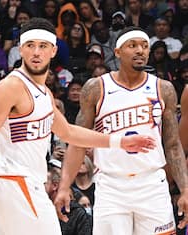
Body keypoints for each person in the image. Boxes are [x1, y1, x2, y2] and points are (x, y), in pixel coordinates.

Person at [0, 18, 155, 234]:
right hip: (15, 183)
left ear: (53, 50)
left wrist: (120, 141)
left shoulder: (44, 93)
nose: (36, 52)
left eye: (43, 46)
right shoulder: (11, 86)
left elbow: (68, 132)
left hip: (11, 187)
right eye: (30, 46)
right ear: (21, 50)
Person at [56, 26, 188, 235]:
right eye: (132, 45)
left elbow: (172, 145)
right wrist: (64, 186)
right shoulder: (96, 88)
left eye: (144, 46)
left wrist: (185, 189)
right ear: (117, 52)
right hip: (112, 186)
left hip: (152, 184)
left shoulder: (163, 88)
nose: (140, 51)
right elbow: (78, 141)